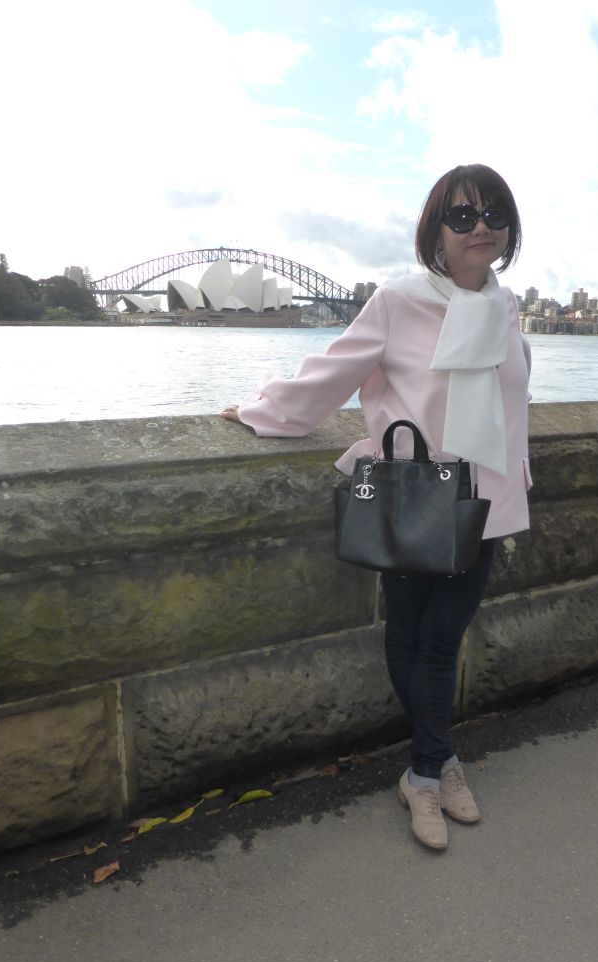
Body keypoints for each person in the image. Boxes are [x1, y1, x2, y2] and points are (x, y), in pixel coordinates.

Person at [222, 164, 532, 851]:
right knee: (414, 637)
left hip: (486, 505)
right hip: (415, 499)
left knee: (441, 638)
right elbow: (329, 374)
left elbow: (516, 408)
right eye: (461, 216)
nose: (480, 226)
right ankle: (433, 770)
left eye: (493, 213)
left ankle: (428, 768)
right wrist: (257, 411)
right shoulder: (398, 301)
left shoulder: (507, 310)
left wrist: (522, 479)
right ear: (435, 231)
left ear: (509, 228)